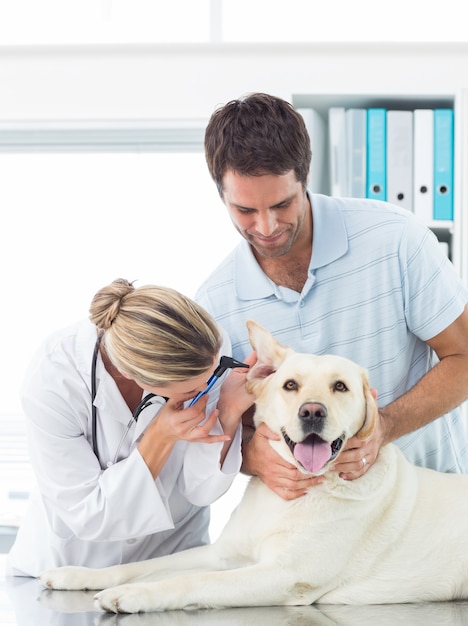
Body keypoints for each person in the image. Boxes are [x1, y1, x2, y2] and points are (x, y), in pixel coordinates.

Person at [196, 92, 468, 501]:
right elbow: (220, 425)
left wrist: (384, 426)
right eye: (245, 211)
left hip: (426, 507)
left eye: (282, 204)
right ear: (222, 195)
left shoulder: (395, 239)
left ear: (306, 177)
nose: (266, 226)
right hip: (309, 534)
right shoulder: (215, 303)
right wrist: (250, 455)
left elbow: (463, 356)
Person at [6, 278, 255, 577]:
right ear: (131, 374)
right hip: (73, 567)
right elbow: (90, 514)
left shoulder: (203, 346)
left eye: (212, 376)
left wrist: (228, 410)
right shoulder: (54, 381)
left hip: (172, 563)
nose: (207, 388)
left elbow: (201, 490)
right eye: (191, 390)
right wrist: (161, 436)